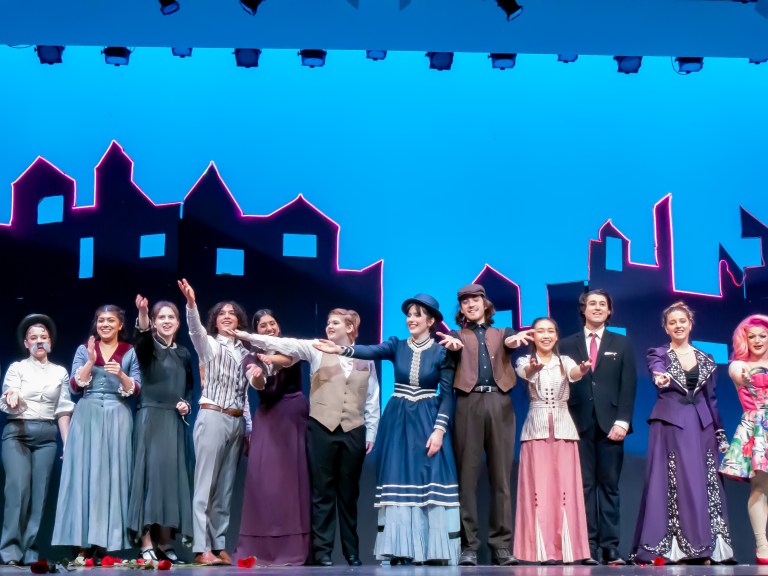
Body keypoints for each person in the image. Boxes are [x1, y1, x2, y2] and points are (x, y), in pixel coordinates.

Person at [226, 307, 379, 567]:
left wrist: (371, 431)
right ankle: (323, 554)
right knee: (322, 494)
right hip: (321, 428)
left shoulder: (366, 358)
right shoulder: (316, 348)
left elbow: (372, 397)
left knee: (348, 495)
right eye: (328, 322)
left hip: (353, 429)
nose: (329, 327)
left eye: (335, 323)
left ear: (350, 328)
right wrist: (245, 335)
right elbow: (282, 344)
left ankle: (353, 553)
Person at [316, 294, 459, 565]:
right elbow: (371, 350)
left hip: (428, 417)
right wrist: (344, 350)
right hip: (399, 418)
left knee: (428, 479)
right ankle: (401, 549)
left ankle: (431, 551)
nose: (411, 319)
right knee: (399, 477)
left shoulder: (443, 351)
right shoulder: (397, 345)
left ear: (430, 321)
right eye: (409, 314)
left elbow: (448, 395)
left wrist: (439, 430)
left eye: (418, 315)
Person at [436, 284, 533, 566]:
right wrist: (451, 350)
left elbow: (513, 344)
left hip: (500, 403)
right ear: (461, 308)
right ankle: (469, 545)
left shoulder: (503, 333)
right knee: (467, 478)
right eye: (464, 301)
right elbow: (446, 362)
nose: (470, 304)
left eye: (475, 299)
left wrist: (514, 342)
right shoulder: (456, 336)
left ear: (485, 304)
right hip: (468, 404)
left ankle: (501, 545)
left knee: (501, 477)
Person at [630, 301, 732, 564]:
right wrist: (659, 377)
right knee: (672, 482)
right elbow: (657, 370)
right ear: (666, 327)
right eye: (672, 322)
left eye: (682, 321)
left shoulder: (706, 359)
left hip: (702, 426)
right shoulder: (659, 353)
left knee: (702, 484)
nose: (678, 325)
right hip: (671, 423)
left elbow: (712, 399)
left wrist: (720, 432)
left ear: (690, 324)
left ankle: (705, 547)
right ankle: (673, 548)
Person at [52, 305, 141, 562]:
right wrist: (91, 361)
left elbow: (137, 387)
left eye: (110, 320)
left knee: (112, 476)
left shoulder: (129, 351)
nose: (105, 324)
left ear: (120, 325)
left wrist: (121, 374)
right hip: (88, 413)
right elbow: (74, 387)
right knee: (84, 475)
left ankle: (105, 542)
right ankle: (82, 543)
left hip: (118, 414)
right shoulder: (84, 349)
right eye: (101, 320)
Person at [177, 279, 256, 566]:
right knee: (205, 485)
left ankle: (219, 543)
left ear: (239, 320)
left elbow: (245, 395)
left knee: (224, 488)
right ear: (215, 320)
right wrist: (191, 305)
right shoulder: (209, 344)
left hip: (235, 420)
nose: (226, 316)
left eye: (231, 313)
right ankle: (201, 547)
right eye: (221, 313)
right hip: (212, 416)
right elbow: (195, 331)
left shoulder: (246, 353)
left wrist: (247, 427)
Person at [559, 289, 637, 565]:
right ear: (583, 309)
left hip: (611, 425)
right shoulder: (566, 344)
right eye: (592, 303)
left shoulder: (622, 343)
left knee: (609, 487)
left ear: (609, 310)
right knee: (584, 486)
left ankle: (611, 547)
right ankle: (588, 546)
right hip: (577, 424)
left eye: (602, 304)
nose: (597, 307)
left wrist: (623, 421)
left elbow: (628, 386)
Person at [513, 317, 591, 564]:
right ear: (532, 336)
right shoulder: (524, 360)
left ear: (556, 336)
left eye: (550, 331)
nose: (545, 335)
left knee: (565, 490)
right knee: (538, 490)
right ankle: (538, 550)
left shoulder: (563, 361)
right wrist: (534, 369)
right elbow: (525, 372)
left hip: (564, 429)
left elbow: (574, 373)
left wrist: (584, 368)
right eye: (540, 331)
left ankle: (567, 550)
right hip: (535, 429)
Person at [236, 309, 310, 566]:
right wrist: (258, 376)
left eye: (272, 323)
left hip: (293, 418)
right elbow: (256, 383)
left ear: (278, 327)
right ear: (257, 331)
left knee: (293, 483)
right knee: (266, 483)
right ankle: (261, 545)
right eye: (263, 325)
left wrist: (271, 360)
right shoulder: (250, 358)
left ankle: (294, 546)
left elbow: (289, 358)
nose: (269, 327)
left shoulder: (291, 347)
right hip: (269, 420)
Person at [0, 314, 74, 566]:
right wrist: (12, 397)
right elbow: (10, 392)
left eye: (43, 337)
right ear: (26, 342)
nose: (39, 341)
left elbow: (63, 409)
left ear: (50, 341)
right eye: (34, 338)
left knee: (39, 494)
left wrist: (68, 443)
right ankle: (9, 550)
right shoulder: (17, 368)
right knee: (18, 489)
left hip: (47, 436)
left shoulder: (60, 372)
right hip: (18, 431)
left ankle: (30, 549)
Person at [128, 295, 194, 563]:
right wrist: (142, 313)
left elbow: (188, 387)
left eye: (171, 317)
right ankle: (146, 541)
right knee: (150, 480)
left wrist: (186, 405)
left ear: (178, 323)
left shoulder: (183, 353)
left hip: (174, 423)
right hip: (150, 419)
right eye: (161, 317)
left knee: (171, 480)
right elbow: (141, 338)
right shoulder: (148, 348)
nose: (166, 321)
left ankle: (165, 543)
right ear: (154, 323)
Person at [720, 314, 768, 563]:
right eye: (752, 337)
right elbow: (739, 374)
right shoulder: (739, 365)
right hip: (759, 427)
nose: (757, 340)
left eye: (763, 336)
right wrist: (746, 378)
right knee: (761, 487)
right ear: (744, 340)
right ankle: (762, 545)